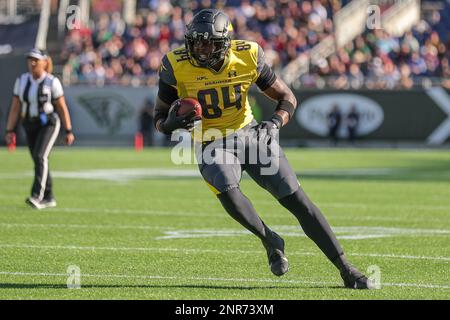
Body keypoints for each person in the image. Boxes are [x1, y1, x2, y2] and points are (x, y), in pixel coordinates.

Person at [153, 9, 373, 289]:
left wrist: (275, 123)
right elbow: (159, 119)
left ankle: (346, 268)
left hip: (249, 135)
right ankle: (269, 238)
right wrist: (171, 123)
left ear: (224, 43)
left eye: (207, 42)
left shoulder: (247, 55)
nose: (200, 48)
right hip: (211, 141)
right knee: (226, 187)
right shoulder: (175, 64)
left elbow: (286, 98)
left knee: (298, 201)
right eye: (195, 42)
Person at [4, 48, 75, 209]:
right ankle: (49, 196)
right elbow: (15, 107)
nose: (32, 63)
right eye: (30, 59)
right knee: (38, 159)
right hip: (29, 123)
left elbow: (62, 107)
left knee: (40, 156)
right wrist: (9, 130)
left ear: (45, 62)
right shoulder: (22, 80)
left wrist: (68, 130)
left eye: (36, 59)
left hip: (48, 123)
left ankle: (38, 196)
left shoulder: (52, 81)